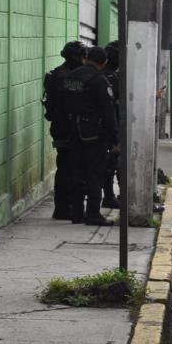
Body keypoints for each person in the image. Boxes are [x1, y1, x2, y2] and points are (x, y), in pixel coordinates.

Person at [63, 46, 120, 226]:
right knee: (95, 173)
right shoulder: (99, 80)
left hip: (72, 129)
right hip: (93, 132)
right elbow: (108, 112)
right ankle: (93, 214)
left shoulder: (70, 76)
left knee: (76, 172)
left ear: (86, 58)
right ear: (103, 63)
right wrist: (116, 139)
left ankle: (77, 213)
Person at [43, 41, 85, 220]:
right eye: (82, 56)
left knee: (66, 166)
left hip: (61, 126)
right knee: (69, 168)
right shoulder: (67, 78)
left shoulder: (58, 74)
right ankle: (64, 207)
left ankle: (63, 207)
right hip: (68, 127)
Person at [102, 40, 120, 209]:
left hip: (98, 128)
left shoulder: (104, 76)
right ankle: (108, 196)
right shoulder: (111, 79)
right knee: (112, 165)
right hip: (110, 129)